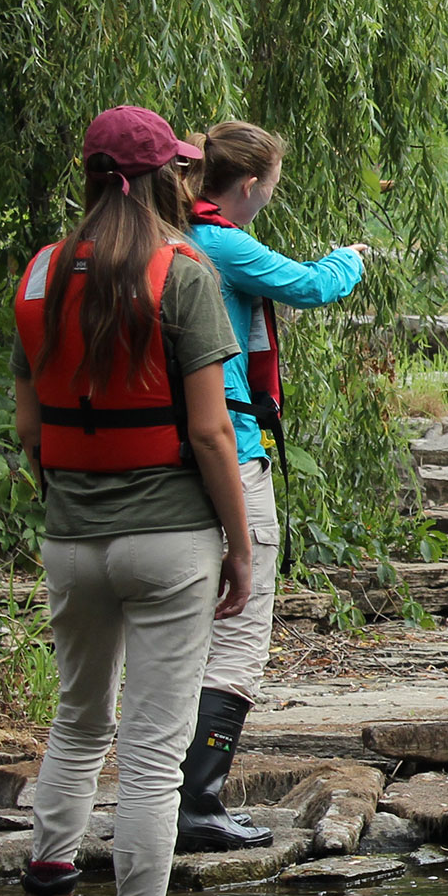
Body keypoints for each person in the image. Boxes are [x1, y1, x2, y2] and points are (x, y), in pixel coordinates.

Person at [14, 107, 253, 896]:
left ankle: (48, 887)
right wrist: (241, 548)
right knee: (154, 750)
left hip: (71, 538)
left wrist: (74, 504)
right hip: (170, 541)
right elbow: (211, 431)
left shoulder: (43, 273)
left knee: (78, 722)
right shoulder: (182, 271)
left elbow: (30, 431)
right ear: (165, 178)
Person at [173, 121, 366, 852]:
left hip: (157, 462)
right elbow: (309, 285)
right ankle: (200, 806)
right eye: (271, 187)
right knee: (239, 634)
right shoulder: (219, 242)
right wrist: (351, 261)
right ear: (249, 185)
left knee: (180, 633)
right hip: (229, 447)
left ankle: (168, 798)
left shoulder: (164, 237)